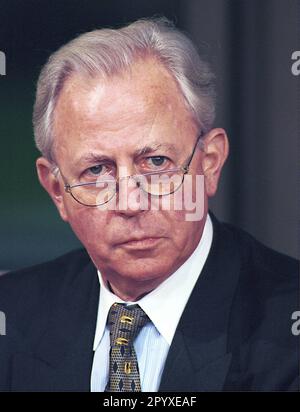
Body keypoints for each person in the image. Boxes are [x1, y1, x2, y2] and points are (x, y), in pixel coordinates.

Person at [0, 18, 298, 392]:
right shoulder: (9, 317)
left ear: (210, 164)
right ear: (57, 189)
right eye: (97, 170)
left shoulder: (287, 337)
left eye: (156, 162)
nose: (131, 202)